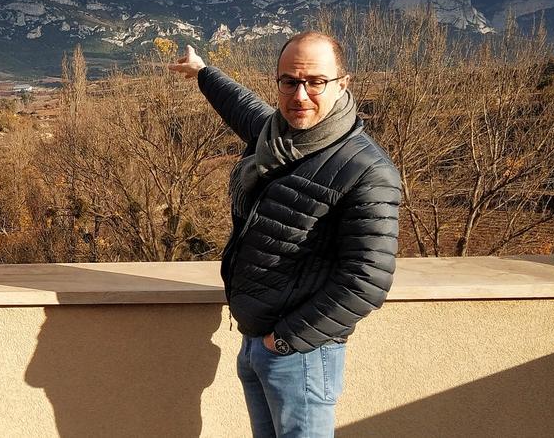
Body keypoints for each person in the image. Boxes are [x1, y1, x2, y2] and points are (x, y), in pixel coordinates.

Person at [169, 31, 400, 437]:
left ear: (342, 84)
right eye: (289, 82)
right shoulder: (277, 137)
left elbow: (367, 280)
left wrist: (286, 341)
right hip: (257, 341)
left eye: (315, 82)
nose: (301, 95)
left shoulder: (366, 170)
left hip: (302, 354)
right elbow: (240, 106)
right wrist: (203, 72)